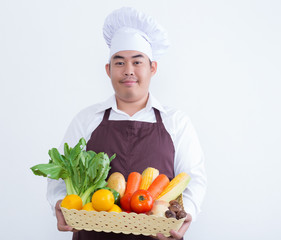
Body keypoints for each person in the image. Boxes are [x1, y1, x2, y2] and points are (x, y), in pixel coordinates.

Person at [46, 7, 207, 240]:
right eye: (119, 63)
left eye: (137, 62)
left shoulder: (176, 121)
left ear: (152, 68)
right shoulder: (86, 119)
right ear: (108, 70)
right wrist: (59, 204)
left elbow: (194, 179)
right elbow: (59, 175)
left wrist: (184, 215)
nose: (128, 71)